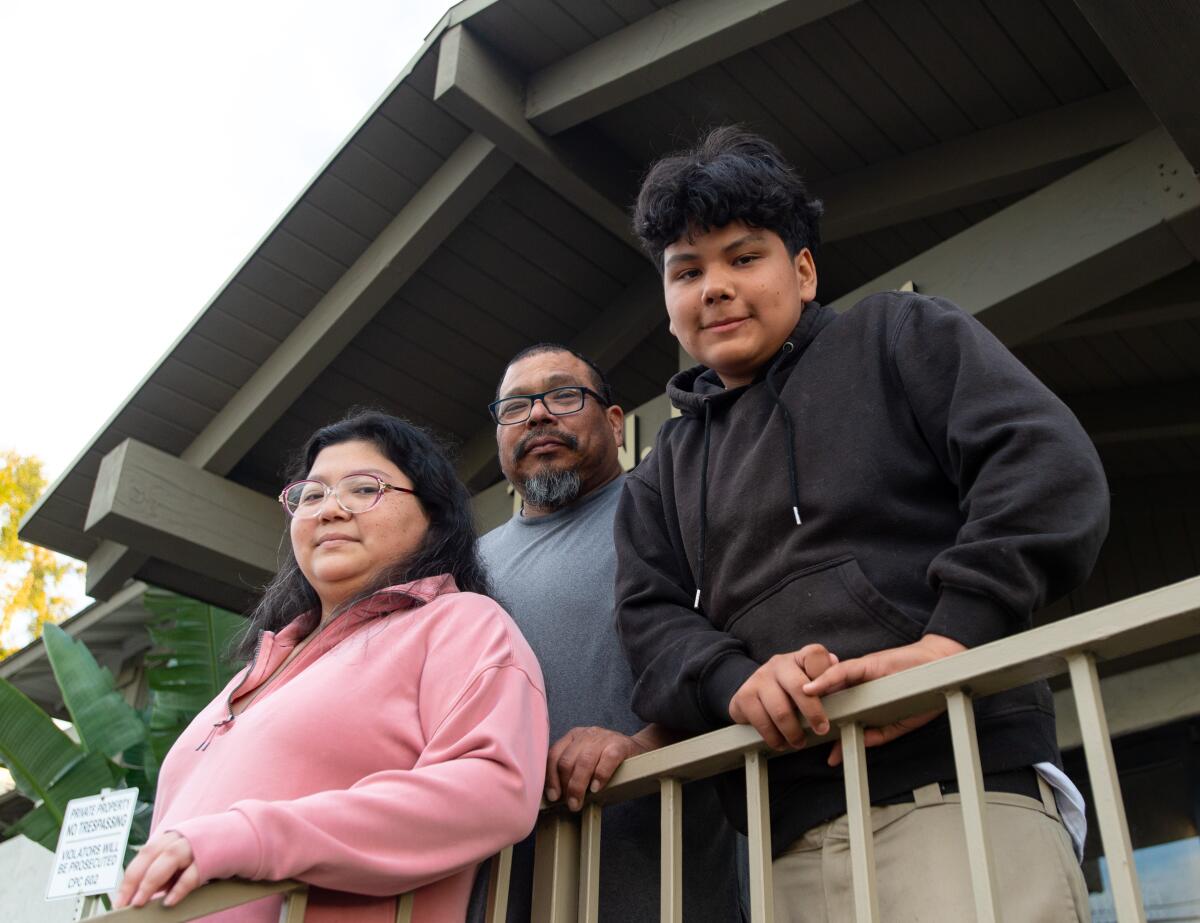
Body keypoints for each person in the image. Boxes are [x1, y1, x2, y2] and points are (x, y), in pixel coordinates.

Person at [614, 126, 1107, 921]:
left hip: (961, 783)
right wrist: (734, 679)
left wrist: (951, 641)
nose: (714, 286)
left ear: (803, 270)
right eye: (687, 270)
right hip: (784, 848)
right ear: (668, 304)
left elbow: (1044, 464)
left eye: (745, 257)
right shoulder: (659, 472)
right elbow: (649, 622)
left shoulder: (898, 335)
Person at [115, 411, 549, 923]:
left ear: (433, 515)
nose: (329, 510)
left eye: (364, 489)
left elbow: (492, 789)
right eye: (312, 495)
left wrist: (251, 837)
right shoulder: (256, 668)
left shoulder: (461, 622)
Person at [469, 344, 740, 922]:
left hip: (665, 876)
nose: (538, 415)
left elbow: (738, 650)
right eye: (515, 407)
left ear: (615, 424)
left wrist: (643, 744)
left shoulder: (676, 508)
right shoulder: (465, 569)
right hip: (503, 889)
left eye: (564, 395)